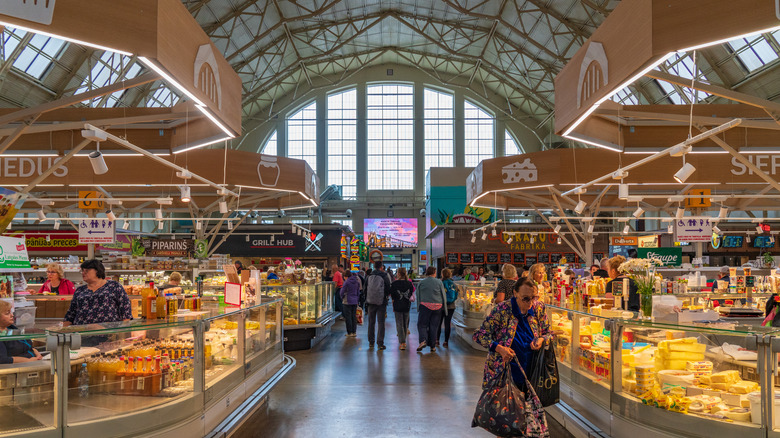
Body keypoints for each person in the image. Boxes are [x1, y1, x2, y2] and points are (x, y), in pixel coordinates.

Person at [473, 277, 553, 399]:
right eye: (525, 298)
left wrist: (542, 340)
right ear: (515, 293)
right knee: (505, 414)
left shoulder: (539, 308)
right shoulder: (501, 310)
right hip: (504, 372)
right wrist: (500, 349)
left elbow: (548, 333)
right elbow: (479, 335)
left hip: (532, 372)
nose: (530, 302)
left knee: (529, 413)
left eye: (534, 297)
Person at [63, 259, 133, 327]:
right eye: (82, 271)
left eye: (87, 270)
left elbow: (125, 310)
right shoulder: (80, 290)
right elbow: (71, 314)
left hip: (109, 333)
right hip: (82, 333)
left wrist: (123, 331)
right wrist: (63, 328)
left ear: (97, 270)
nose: (83, 273)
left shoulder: (114, 286)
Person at [416, 266, 447, 353]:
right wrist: (444, 308)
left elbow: (418, 295)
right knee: (434, 326)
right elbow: (443, 295)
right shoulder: (439, 282)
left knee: (422, 324)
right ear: (434, 272)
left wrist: (418, 307)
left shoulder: (422, 282)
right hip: (438, 306)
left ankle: (423, 341)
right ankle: (433, 346)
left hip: (425, 306)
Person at [365, 261, 391, 350]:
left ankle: (371, 342)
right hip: (381, 303)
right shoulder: (384, 276)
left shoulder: (369, 276)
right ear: (381, 267)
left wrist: (367, 299)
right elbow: (388, 288)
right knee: (381, 323)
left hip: (370, 302)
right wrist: (385, 297)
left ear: (373, 266)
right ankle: (380, 343)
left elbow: (365, 289)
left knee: (371, 323)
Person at [389, 267, 415, 350]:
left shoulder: (394, 284)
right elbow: (410, 293)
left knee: (399, 324)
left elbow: (392, 295)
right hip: (407, 305)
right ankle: (404, 339)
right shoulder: (409, 283)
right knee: (405, 323)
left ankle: (402, 342)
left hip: (397, 305)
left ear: (398, 274)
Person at [438, 268, 457, 347]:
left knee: (438, 323)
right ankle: (446, 341)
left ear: (442, 274)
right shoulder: (453, 284)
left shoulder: (439, 283)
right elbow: (456, 295)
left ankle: (436, 340)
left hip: (441, 305)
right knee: (447, 323)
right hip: (451, 306)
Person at [340, 271, 361, 337]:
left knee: (348, 317)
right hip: (354, 301)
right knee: (353, 317)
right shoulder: (356, 282)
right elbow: (358, 292)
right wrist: (357, 299)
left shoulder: (346, 282)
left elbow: (342, 292)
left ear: (346, 276)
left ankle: (349, 332)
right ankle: (354, 332)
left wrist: (342, 297)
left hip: (347, 301)